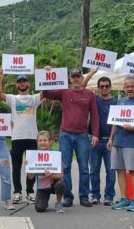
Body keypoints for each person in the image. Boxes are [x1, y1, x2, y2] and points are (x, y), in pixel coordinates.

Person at [42, 67, 99, 207]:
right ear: (69, 78)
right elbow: (47, 93)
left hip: (82, 135)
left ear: (81, 77)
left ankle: (84, 197)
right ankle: (68, 197)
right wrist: (46, 74)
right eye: (73, 76)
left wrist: (96, 134)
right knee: (65, 167)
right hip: (65, 134)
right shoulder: (64, 92)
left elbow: (95, 116)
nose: (76, 79)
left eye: (78, 76)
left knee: (84, 167)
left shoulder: (90, 94)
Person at [0, 69, 43, 204]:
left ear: (28, 83)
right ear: (17, 85)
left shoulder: (34, 99)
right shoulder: (13, 98)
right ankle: (17, 193)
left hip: (32, 137)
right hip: (16, 137)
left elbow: (46, 91)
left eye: (24, 81)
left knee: (31, 167)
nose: (22, 84)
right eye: (20, 82)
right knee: (16, 168)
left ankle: (30, 192)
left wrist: (43, 74)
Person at [108, 76, 134, 212]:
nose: (130, 89)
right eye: (127, 87)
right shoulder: (120, 101)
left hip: (133, 142)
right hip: (118, 141)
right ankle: (124, 198)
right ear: (123, 88)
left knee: (133, 170)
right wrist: (111, 139)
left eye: (132, 86)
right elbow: (115, 122)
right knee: (119, 170)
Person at [89, 76, 117, 206]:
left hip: (109, 140)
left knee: (110, 171)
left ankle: (109, 196)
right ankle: (95, 195)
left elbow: (115, 122)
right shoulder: (94, 99)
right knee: (94, 170)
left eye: (107, 86)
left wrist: (111, 138)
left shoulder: (116, 102)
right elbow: (81, 88)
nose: (104, 88)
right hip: (94, 139)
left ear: (110, 87)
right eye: (101, 86)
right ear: (98, 88)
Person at [27, 131, 65, 213]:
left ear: (50, 142)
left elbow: (61, 174)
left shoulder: (55, 155)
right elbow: (30, 177)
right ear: (37, 143)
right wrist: (28, 166)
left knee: (60, 184)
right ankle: (44, 200)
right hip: (42, 186)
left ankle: (58, 203)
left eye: (45, 140)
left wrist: (50, 175)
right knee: (40, 208)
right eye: (40, 140)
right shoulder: (33, 156)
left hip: (54, 183)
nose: (42, 142)